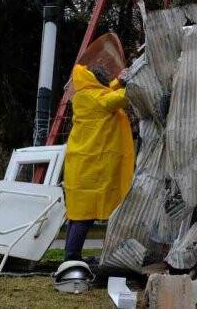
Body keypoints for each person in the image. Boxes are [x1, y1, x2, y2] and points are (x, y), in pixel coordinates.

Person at [62, 63, 135, 261]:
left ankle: (71, 256)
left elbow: (107, 93)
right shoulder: (97, 99)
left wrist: (119, 81)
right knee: (83, 216)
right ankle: (72, 259)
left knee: (77, 215)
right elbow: (121, 97)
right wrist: (132, 81)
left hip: (81, 166)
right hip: (91, 168)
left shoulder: (84, 96)